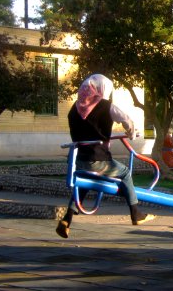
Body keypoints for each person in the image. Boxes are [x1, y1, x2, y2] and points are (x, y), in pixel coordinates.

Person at [56, 74, 155, 239]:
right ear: (101, 89)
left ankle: (66, 220)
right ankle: (136, 213)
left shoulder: (74, 108)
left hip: (77, 161)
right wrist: (130, 132)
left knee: (86, 184)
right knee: (124, 173)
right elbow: (126, 120)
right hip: (97, 159)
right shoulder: (105, 106)